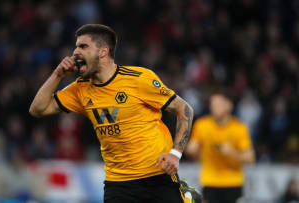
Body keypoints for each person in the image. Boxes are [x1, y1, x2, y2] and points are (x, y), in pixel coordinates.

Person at [29, 24, 201, 203]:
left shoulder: (138, 79)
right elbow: (37, 109)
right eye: (76, 46)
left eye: (83, 46)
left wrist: (175, 154)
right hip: (118, 183)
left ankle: (187, 196)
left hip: (157, 176)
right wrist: (58, 74)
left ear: (103, 52)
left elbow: (185, 109)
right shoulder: (80, 89)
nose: (75, 52)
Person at [186, 91, 255, 203]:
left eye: (218, 105)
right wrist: (191, 149)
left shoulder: (239, 128)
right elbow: (191, 148)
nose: (214, 108)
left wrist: (232, 152)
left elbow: (250, 158)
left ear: (229, 105)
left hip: (233, 183)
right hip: (210, 182)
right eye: (212, 105)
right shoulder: (202, 125)